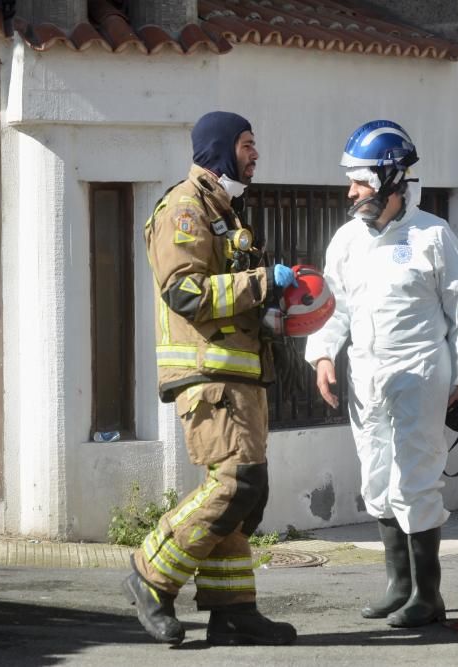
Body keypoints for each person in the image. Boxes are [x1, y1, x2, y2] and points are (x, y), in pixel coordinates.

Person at [122, 111, 298, 647]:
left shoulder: (227, 214)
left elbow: (232, 297)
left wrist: (275, 306)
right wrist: (261, 282)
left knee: (251, 494)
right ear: (219, 149)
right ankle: (150, 574)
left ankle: (233, 609)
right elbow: (186, 293)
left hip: (238, 375)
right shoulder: (184, 208)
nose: (255, 154)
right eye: (247, 143)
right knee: (234, 484)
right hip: (208, 376)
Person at [304, 120, 458, 628]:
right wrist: (323, 355)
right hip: (366, 378)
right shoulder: (346, 240)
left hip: (419, 375)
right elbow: (331, 304)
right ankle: (398, 586)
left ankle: (427, 596)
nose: (351, 191)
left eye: (359, 181)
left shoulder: (433, 234)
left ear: (390, 179)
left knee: (417, 481)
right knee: (377, 480)